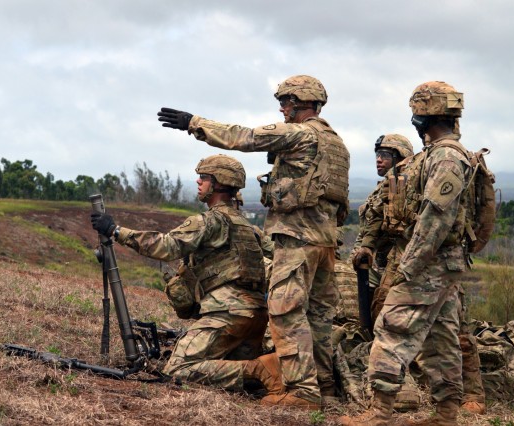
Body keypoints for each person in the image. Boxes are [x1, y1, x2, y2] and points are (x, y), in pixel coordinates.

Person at [158, 75, 350, 409]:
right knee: (318, 317)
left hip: (296, 238)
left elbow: (244, 138)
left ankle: (302, 392)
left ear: (300, 102)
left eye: (286, 102)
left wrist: (194, 123)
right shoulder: (338, 144)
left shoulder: (299, 133)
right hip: (327, 242)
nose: (282, 109)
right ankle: (326, 392)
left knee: (285, 311)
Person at [339, 81, 473, 426]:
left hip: (428, 264)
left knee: (391, 328)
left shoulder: (445, 157)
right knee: (441, 338)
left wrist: (407, 268)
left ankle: (379, 413)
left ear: (422, 116)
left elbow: (435, 219)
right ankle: (446, 415)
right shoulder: (439, 154)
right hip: (442, 265)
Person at [90, 154, 281, 395]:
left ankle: (258, 368)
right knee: (233, 379)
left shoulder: (210, 221)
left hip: (227, 314)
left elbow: (166, 246)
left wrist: (115, 231)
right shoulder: (249, 227)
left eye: (203, 177)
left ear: (218, 183)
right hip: (255, 317)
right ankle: (263, 372)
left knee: (179, 369)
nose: (198, 182)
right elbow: (279, 256)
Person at [351, 134, 414, 322]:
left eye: (385, 155)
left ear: (401, 157)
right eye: (378, 154)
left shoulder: (404, 186)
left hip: (392, 265)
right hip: (374, 264)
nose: (379, 159)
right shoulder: (384, 187)